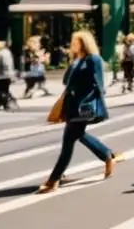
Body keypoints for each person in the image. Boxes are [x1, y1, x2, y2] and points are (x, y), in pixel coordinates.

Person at [37, 31, 120, 194]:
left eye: (76, 42)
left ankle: (54, 179)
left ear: (84, 43)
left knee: (68, 142)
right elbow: (66, 81)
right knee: (78, 135)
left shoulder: (93, 60)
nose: (72, 45)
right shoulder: (78, 60)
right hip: (71, 105)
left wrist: (95, 104)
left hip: (83, 106)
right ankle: (107, 155)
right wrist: (73, 64)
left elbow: (99, 84)